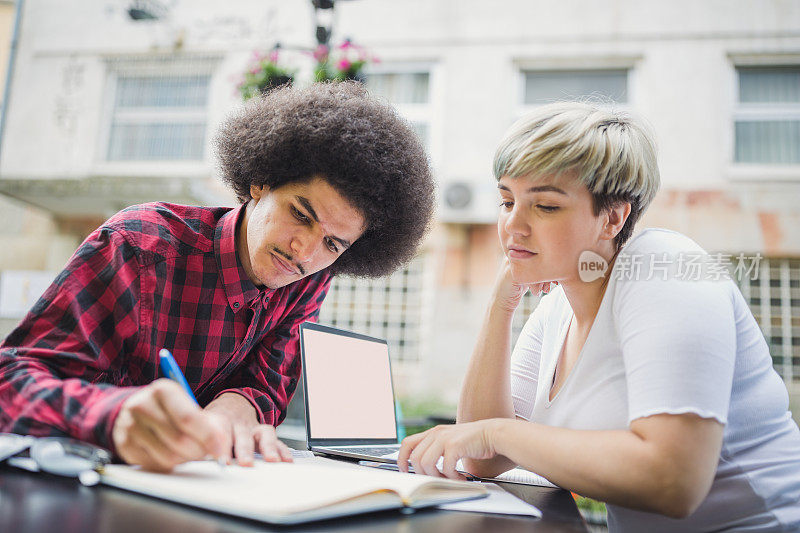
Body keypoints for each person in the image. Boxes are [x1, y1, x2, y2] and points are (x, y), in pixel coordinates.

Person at [398, 102, 800, 531]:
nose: (512, 226)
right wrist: (502, 305)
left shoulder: (664, 270)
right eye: (506, 200)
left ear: (613, 217)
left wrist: (500, 433)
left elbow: (674, 482)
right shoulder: (557, 309)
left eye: (545, 206)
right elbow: (480, 455)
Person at [0, 82, 435, 472]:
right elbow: (10, 380)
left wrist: (238, 407)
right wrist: (114, 416)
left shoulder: (307, 277)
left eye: (333, 244)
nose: (305, 251)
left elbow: (268, 383)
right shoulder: (139, 245)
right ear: (261, 183)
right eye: (300, 214)